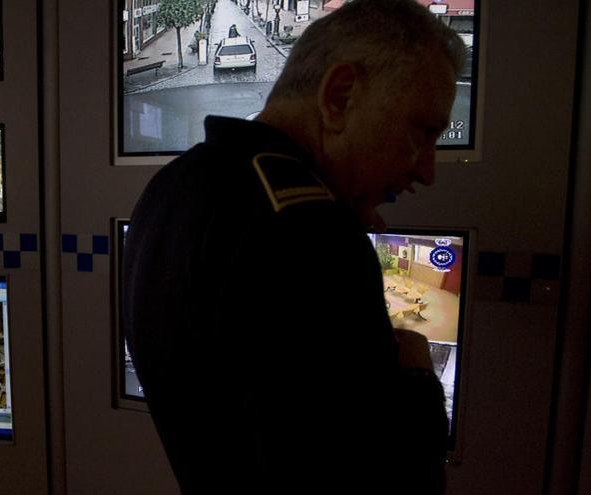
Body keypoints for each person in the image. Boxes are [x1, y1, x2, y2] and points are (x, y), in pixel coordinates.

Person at [121, 0, 465, 493]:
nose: (426, 170)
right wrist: (415, 383)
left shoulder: (173, 186)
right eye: (422, 132)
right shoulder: (314, 238)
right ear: (340, 96)